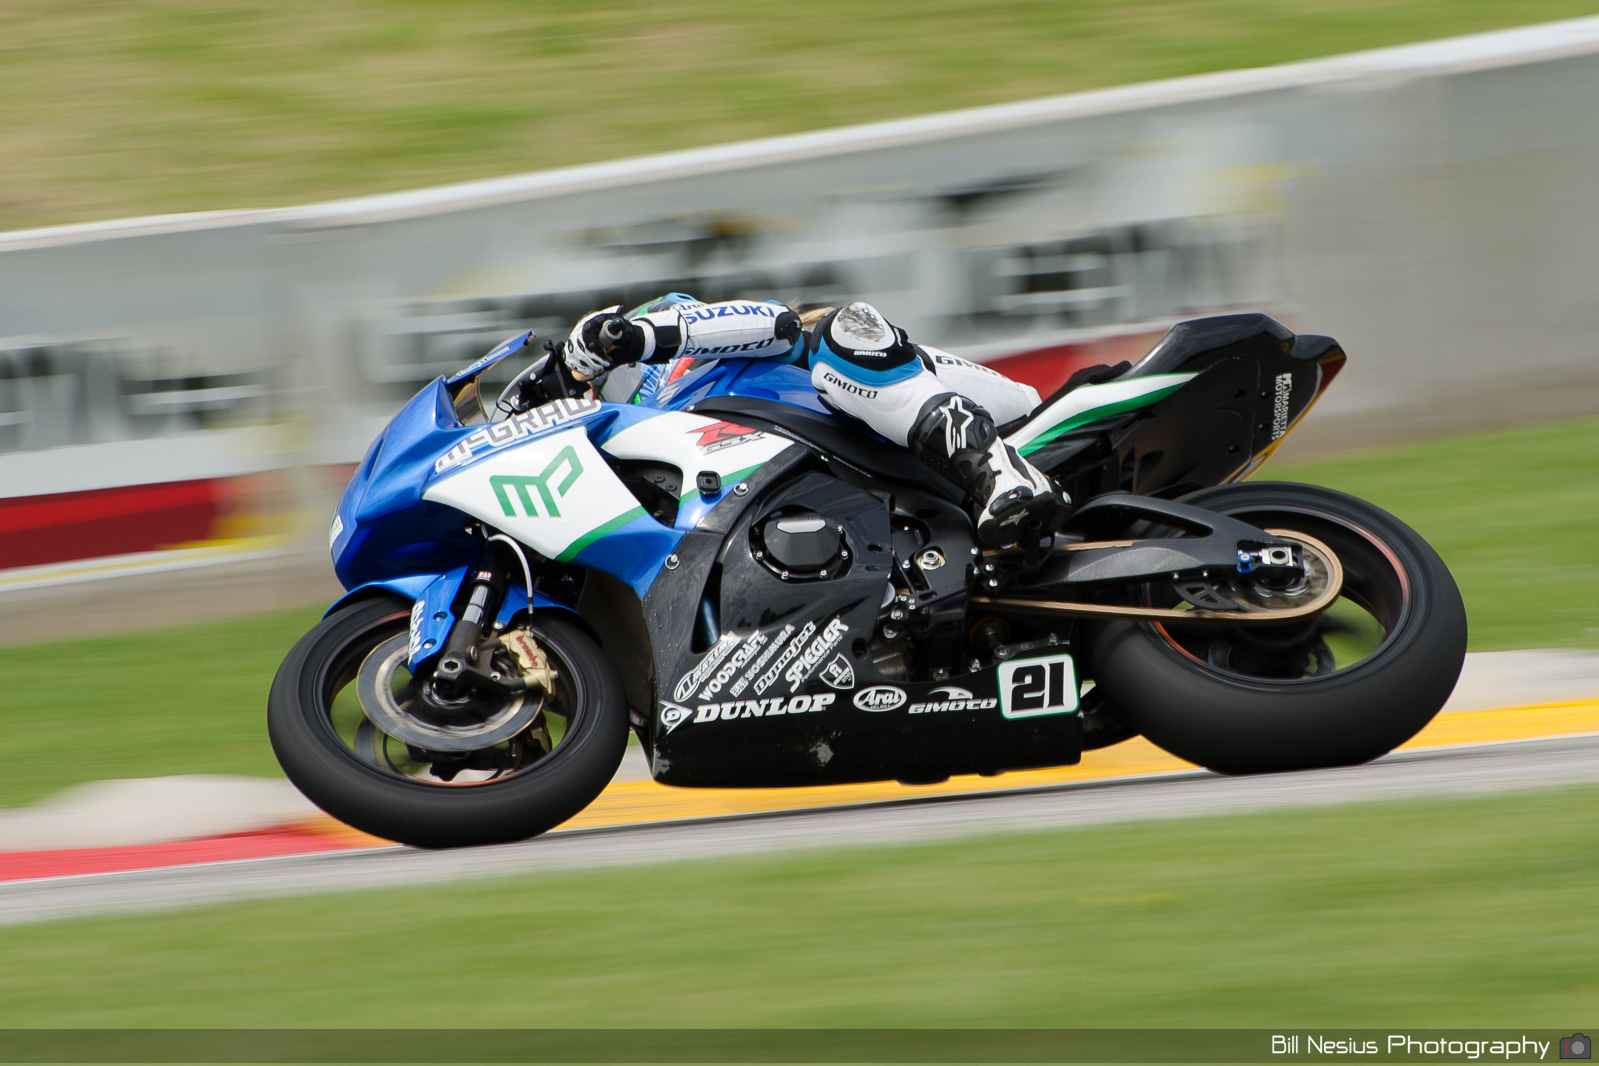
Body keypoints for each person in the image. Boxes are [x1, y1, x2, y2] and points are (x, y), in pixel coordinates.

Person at [559, 293, 1070, 547]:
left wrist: (629, 338)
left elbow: (777, 322)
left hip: (1024, 425)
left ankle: (1002, 473)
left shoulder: (730, 355)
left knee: (837, 335)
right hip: (911, 491)